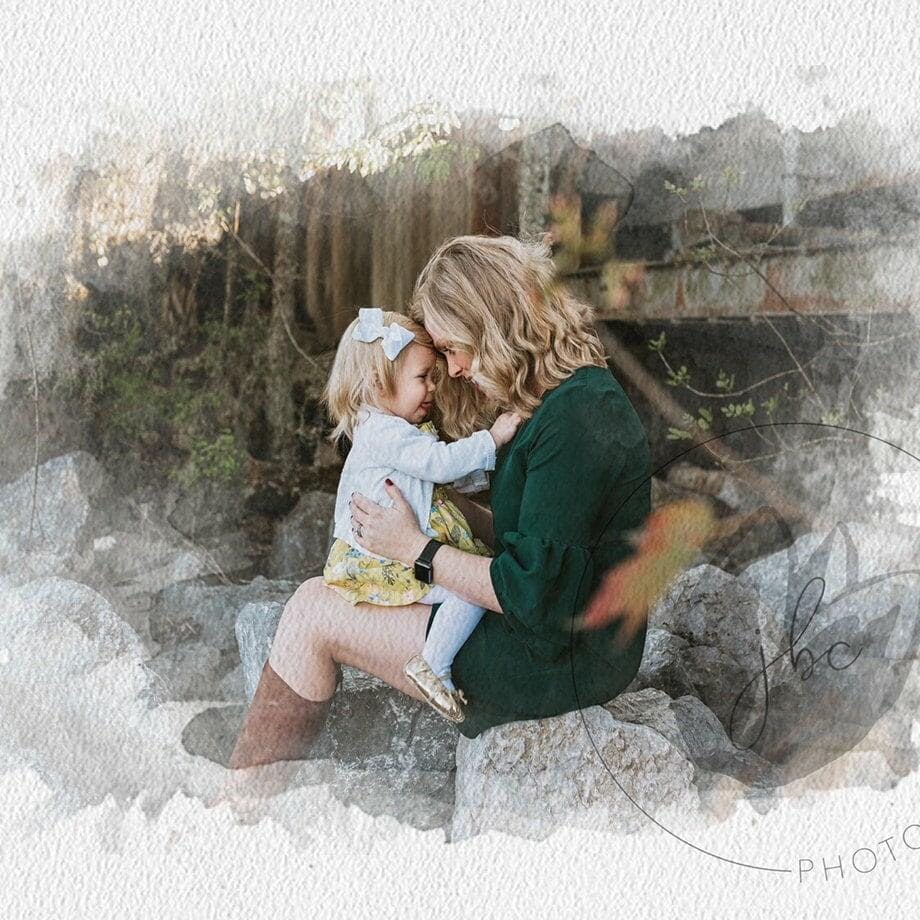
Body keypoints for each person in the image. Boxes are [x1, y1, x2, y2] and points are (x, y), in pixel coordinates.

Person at [227, 234, 651, 778]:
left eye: (452, 349)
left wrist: (416, 549)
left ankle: (243, 806)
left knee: (312, 615)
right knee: (314, 598)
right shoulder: (562, 402)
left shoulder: (575, 421)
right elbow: (540, 543)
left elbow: (534, 593)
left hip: (558, 659)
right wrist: (446, 506)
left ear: (489, 325)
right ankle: (251, 798)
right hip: (559, 636)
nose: (451, 370)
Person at [319, 306, 522, 722]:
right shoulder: (385, 431)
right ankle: (434, 664)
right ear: (379, 383)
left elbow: (439, 480)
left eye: (433, 376)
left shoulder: (387, 429)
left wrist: (488, 469)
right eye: (422, 377)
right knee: (469, 589)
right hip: (386, 558)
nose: (432, 387)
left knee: (467, 583)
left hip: (390, 552)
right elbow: (440, 465)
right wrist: (493, 438)